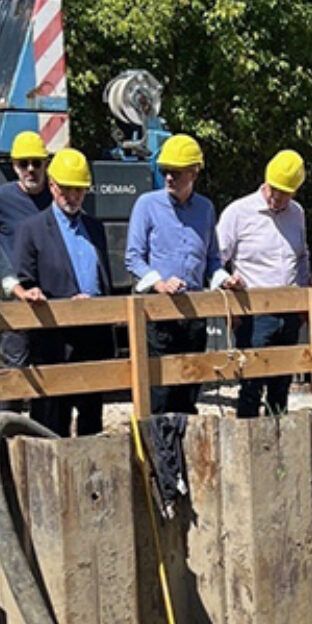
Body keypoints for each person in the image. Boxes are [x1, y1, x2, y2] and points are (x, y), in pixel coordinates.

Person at [125, 134, 239, 415]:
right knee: (160, 394)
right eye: (165, 171)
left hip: (195, 314)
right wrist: (159, 283)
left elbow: (211, 260)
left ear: (193, 173)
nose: (168, 178)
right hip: (159, 314)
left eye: (175, 172)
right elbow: (133, 257)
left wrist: (224, 279)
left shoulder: (205, 209)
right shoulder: (147, 205)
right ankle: (158, 441)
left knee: (189, 391)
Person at [10, 149, 114, 437]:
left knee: (91, 419)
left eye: (79, 190)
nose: (72, 196)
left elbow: (103, 279)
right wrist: (62, 303)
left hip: (92, 337)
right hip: (55, 340)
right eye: (66, 189)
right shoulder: (31, 229)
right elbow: (24, 281)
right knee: (52, 421)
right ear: (53, 185)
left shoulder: (95, 228)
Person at [217, 149, 309, 418]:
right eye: (273, 190)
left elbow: (302, 257)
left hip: (289, 310)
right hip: (254, 312)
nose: (276, 197)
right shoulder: (238, 212)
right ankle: (247, 439)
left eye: (285, 193)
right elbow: (215, 259)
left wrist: (304, 298)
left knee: (282, 386)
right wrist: (226, 283)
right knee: (251, 385)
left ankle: (278, 438)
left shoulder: (297, 214)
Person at [0, 130, 53, 369]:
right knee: (15, 366)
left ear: (46, 164)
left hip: (49, 295)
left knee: (50, 366)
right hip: (16, 295)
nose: (30, 169)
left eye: (36, 163)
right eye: (23, 164)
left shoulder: (56, 197)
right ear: (14, 166)